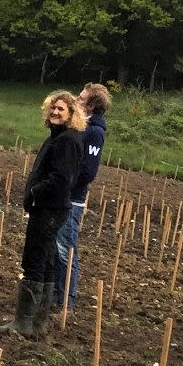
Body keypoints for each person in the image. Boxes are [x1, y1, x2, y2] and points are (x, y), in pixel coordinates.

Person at [9, 89, 87, 338]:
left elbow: (61, 179)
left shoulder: (67, 141)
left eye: (61, 109)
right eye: (53, 108)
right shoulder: (59, 137)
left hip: (49, 209)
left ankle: (25, 322)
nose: (55, 112)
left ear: (71, 114)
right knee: (47, 261)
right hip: (50, 208)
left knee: (35, 262)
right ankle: (36, 323)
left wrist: (34, 192)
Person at [52, 82, 110, 309]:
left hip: (72, 198)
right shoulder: (79, 127)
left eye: (82, 98)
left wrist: (64, 183)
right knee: (57, 247)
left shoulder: (94, 133)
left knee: (66, 249)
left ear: (92, 106)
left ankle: (66, 300)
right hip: (63, 195)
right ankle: (56, 294)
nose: (76, 99)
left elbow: (88, 171)